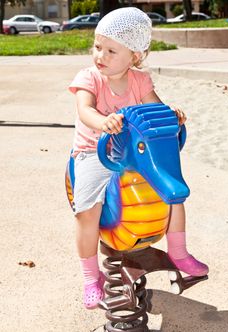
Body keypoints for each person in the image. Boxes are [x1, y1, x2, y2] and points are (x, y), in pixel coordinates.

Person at [68, 7, 208, 309]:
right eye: (97, 46)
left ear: (135, 56)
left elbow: (156, 109)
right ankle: (91, 277)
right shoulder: (89, 78)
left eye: (110, 50)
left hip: (133, 152)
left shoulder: (140, 81)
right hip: (96, 150)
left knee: (172, 192)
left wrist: (173, 116)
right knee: (87, 210)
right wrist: (101, 121)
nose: (100, 55)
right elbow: (84, 110)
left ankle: (179, 251)